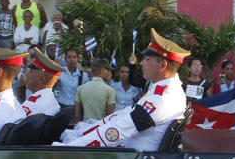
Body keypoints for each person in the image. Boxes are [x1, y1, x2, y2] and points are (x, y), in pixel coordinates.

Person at [57, 29, 189, 150]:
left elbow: (119, 129)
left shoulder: (163, 98)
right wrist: (82, 132)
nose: (141, 63)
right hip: (128, 157)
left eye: (147, 59)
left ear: (162, 64)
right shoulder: (163, 90)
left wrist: (71, 148)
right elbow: (123, 116)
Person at [19, 48, 62, 117]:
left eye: (30, 71)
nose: (27, 74)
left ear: (41, 78)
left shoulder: (39, 104)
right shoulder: (43, 99)